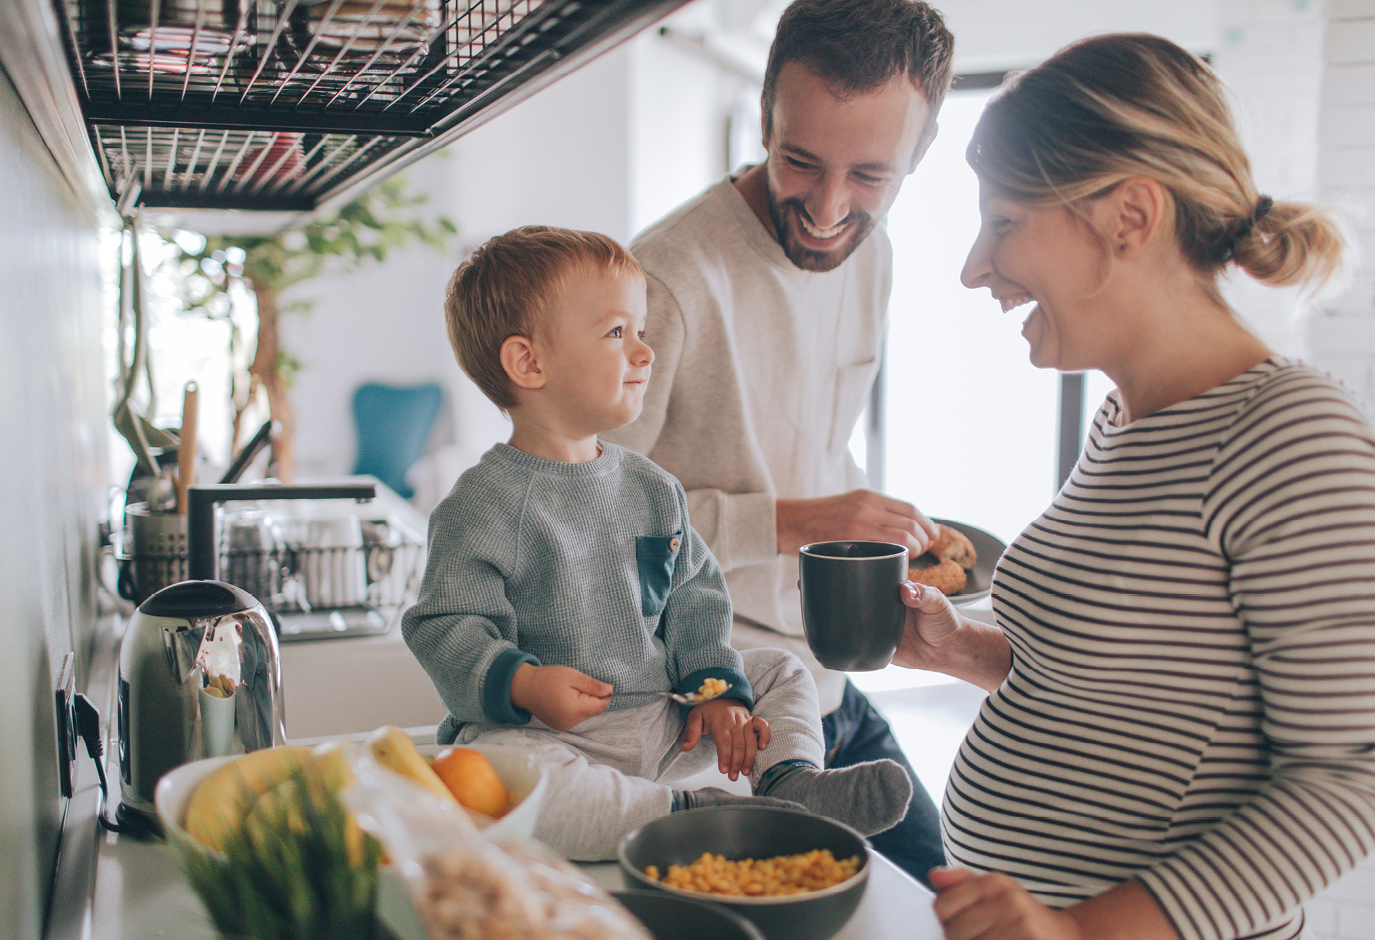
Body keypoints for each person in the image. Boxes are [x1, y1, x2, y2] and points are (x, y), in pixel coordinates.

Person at [889, 33, 1375, 940]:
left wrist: (1082, 930)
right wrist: (970, 652)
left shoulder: (1290, 437)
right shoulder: (1129, 421)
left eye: (1003, 223)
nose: (973, 268)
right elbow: (1139, 691)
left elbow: (1347, 779)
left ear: (1130, 217)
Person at [403, 226, 910, 861]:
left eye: (641, 331)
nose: (646, 352)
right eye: (618, 333)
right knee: (499, 773)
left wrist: (715, 688)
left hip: (660, 715)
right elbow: (444, 625)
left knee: (782, 669)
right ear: (529, 363)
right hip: (550, 736)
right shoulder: (481, 505)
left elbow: (695, 597)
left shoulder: (651, 486)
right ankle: (698, 816)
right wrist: (526, 685)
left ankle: (791, 781)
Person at [604, 0, 955, 884]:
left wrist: (870, 533)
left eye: (871, 175)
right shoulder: (666, 278)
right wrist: (797, 520)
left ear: (922, 153)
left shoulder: (870, 256)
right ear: (763, 115)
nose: (829, 209)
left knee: (948, 889)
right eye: (800, 160)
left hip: (826, 677)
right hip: (719, 704)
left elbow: (809, 439)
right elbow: (596, 525)